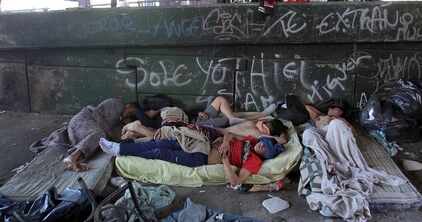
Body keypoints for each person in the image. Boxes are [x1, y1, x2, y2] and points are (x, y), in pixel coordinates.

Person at [99, 132, 285, 186]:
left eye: (265, 147)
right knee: (162, 143)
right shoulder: (251, 142)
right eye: (264, 142)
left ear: (266, 154)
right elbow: (228, 133)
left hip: (200, 158)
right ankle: (119, 148)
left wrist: (226, 159)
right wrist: (227, 143)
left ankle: (124, 153)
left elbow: (235, 181)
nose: (262, 144)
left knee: (159, 154)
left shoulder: (255, 161)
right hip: (201, 144)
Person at [30, 98, 127, 172]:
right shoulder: (117, 103)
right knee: (100, 135)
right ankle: (73, 156)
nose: (125, 117)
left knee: (102, 142)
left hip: (91, 129)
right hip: (82, 120)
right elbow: (102, 120)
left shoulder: (119, 121)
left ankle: (78, 161)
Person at [121, 96, 277, 140]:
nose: (149, 112)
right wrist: (133, 111)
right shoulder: (156, 123)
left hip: (196, 117)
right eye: (146, 113)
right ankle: (255, 116)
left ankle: (238, 118)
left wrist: (199, 112)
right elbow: (145, 120)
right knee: (224, 121)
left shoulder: (163, 110)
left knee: (220, 100)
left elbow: (181, 109)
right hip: (194, 125)